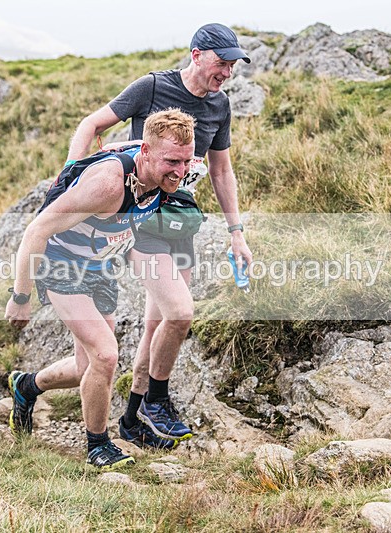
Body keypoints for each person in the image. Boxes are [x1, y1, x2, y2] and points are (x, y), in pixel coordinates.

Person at [64, 23, 255, 449]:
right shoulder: (152, 87)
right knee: (180, 313)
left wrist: (236, 232)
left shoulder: (220, 105)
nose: (227, 72)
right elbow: (91, 124)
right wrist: (70, 178)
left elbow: (221, 170)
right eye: (222, 63)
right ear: (196, 55)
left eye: (233, 66)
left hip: (180, 221)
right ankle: (156, 399)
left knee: (158, 326)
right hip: (140, 219)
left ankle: (132, 420)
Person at [5, 109, 195, 470]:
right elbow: (37, 230)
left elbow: (170, 162)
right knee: (106, 355)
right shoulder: (108, 185)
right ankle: (98, 445)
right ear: (146, 153)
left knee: (86, 367)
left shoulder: (165, 168)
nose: (180, 171)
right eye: (172, 162)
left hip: (101, 267)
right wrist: (21, 297)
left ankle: (27, 386)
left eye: (186, 162)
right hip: (61, 265)